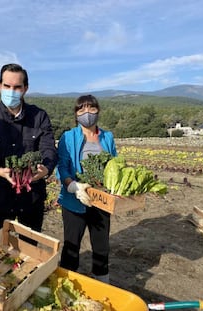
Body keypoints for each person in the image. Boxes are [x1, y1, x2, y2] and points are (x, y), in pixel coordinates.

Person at [0, 63, 57, 234]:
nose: (11, 91)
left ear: (25, 89)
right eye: (7, 86)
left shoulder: (39, 117)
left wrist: (46, 169)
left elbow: (48, 149)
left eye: (17, 87)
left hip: (32, 197)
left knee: (31, 249)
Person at [56, 94, 117, 284]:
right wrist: (73, 186)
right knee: (71, 246)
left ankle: (102, 283)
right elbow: (62, 166)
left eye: (91, 108)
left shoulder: (107, 137)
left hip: (101, 200)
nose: (87, 113)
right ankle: (64, 283)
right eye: (81, 109)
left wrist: (115, 187)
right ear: (76, 114)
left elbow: (114, 165)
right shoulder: (68, 137)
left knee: (101, 246)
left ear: (98, 111)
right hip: (75, 200)